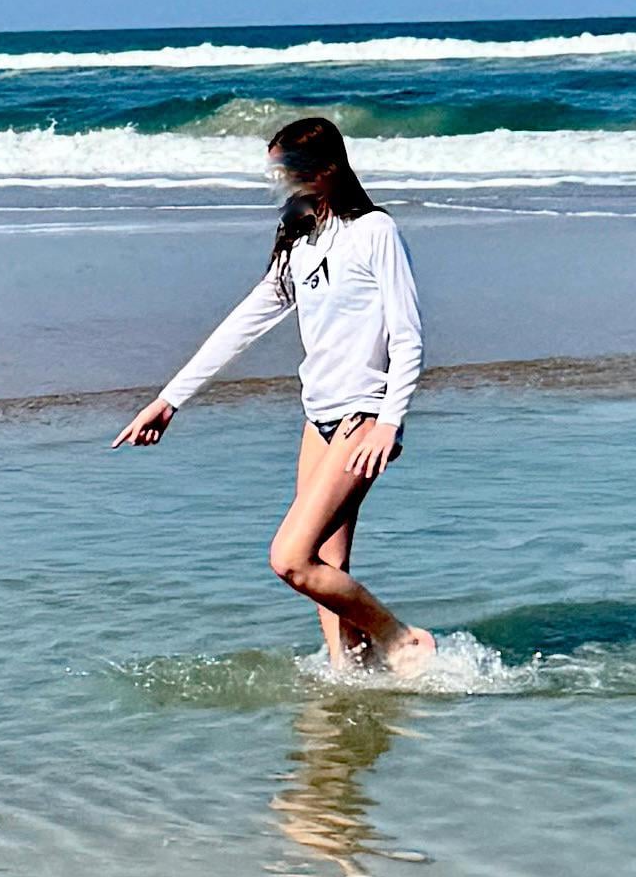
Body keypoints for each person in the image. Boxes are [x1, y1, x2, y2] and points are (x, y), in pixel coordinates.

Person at [117, 113, 432, 668]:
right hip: (320, 418)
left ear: (327, 169)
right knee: (326, 567)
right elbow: (244, 323)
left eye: (289, 171)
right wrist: (170, 399)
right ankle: (348, 675)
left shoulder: (374, 232)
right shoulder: (300, 237)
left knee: (290, 558)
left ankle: (402, 639)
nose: (281, 183)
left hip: (363, 418)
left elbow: (408, 337)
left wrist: (389, 422)